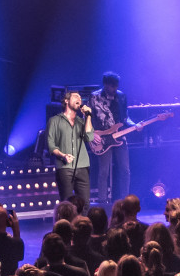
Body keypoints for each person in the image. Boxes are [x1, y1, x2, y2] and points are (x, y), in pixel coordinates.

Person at [90, 72, 140, 203]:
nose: (114, 90)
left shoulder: (121, 96)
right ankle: (102, 201)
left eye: (116, 87)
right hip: (102, 138)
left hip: (120, 136)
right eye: (112, 87)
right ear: (105, 85)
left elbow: (125, 117)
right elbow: (88, 118)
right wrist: (92, 134)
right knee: (103, 171)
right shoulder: (95, 97)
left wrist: (134, 125)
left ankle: (125, 201)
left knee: (125, 170)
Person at [47, 91, 95, 207]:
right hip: (64, 167)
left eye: (80, 97)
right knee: (67, 203)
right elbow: (50, 144)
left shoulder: (81, 121)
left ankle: (82, 224)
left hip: (82, 165)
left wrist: (88, 116)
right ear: (66, 101)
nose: (79, 98)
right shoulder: (55, 121)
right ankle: (68, 225)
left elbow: (89, 137)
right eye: (75, 96)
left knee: (85, 203)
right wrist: (63, 155)